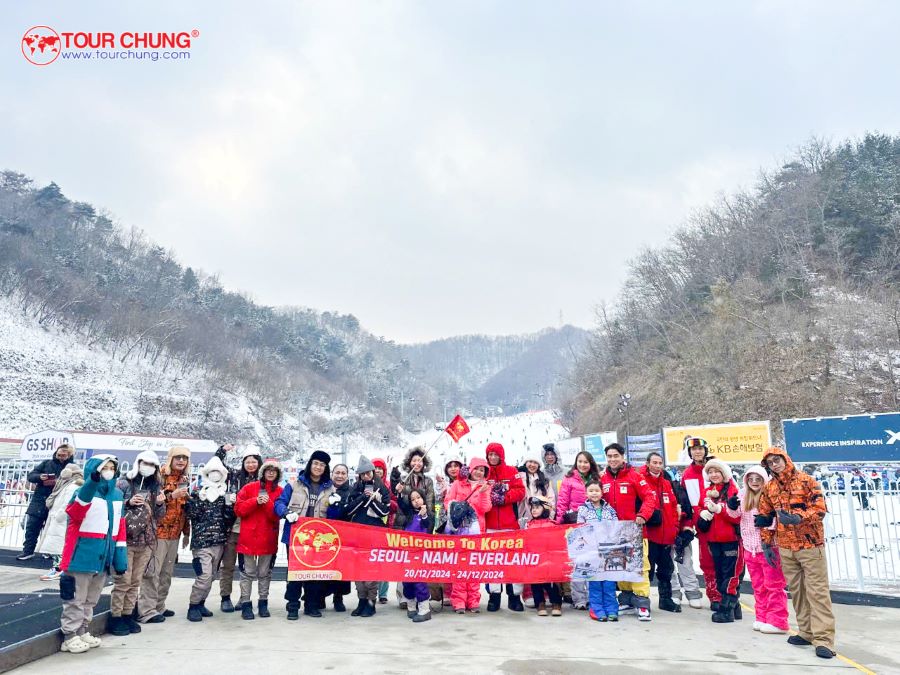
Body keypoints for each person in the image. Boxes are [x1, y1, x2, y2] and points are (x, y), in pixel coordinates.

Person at [756, 447, 836, 659]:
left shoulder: (807, 481)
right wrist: (766, 543)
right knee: (798, 592)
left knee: (817, 592)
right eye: (770, 463)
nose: (775, 465)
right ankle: (806, 632)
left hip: (810, 546)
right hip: (786, 547)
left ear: (785, 459)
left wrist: (799, 517)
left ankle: (824, 640)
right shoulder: (769, 487)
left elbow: (819, 509)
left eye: (777, 460)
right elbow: (764, 515)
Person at [58, 454, 127, 654]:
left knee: (91, 599)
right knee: (75, 598)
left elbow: (120, 529)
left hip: (103, 558)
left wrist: (119, 559)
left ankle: (82, 630)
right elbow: (76, 511)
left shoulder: (117, 495)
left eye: (112, 468)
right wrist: (91, 483)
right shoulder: (83, 492)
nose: (109, 472)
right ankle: (69, 635)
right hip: (80, 556)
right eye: (105, 468)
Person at [725, 464, 788, 634]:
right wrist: (731, 506)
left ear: (764, 480)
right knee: (758, 586)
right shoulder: (743, 495)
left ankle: (778, 621)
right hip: (749, 548)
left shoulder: (771, 495)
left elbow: (782, 519)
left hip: (769, 548)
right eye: (751, 479)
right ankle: (762, 617)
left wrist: (769, 522)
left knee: (774, 586)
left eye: (758, 478)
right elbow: (735, 515)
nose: (754, 482)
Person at [109, 451, 165, 636]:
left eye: (152, 464)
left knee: (135, 581)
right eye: (145, 463)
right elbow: (113, 505)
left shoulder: (156, 486)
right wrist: (128, 502)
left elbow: (159, 516)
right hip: (125, 539)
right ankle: (116, 616)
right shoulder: (124, 483)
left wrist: (159, 504)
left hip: (146, 540)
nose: (148, 467)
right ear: (138, 463)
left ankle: (128, 614)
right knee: (123, 581)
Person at [275, 450, 335, 619]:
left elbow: (334, 516)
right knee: (295, 572)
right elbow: (279, 503)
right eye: (316, 463)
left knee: (314, 573)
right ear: (310, 464)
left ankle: (311, 605)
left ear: (325, 468)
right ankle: (293, 606)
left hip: (318, 539)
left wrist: (335, 505)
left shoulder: (330, 489)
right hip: (296, 537)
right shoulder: (294, 484)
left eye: (322, 465)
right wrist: (286, 513)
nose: (318, 467)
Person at [601, 443, 657, 622]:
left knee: (639, 567)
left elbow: (650, 497)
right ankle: (626, 599)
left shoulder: (635, 476)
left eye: (616, 456)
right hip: (614, 533)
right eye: (609, 456)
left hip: (635, 531)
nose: (612, 459)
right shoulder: (603, 479)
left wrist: (643, 515)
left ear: (622, 457)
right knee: (619, 566)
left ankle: (642, 603)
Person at [138, 446, 191, 623]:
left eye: (184, 458)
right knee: (152, 572)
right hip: (158, 532)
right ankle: (146, 610)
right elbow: (150, 502)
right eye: (178, 457)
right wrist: (171, 496)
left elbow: (183, 508)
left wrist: (186, 532)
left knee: (166, 573)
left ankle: (159, 605)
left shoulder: (184, 479)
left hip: (175, 533)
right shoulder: (158, 477)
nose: (181, 461)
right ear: (170, 459)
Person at [185, 456, 235, 622]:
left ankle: (201, 603)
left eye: (218, 472)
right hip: (201, 542)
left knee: (212, 575)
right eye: (212, 472)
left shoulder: (224, 494)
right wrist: (196, 500)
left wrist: (230, 505)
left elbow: (228, 518)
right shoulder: (198, 492)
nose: (215, 475)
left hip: (218, 541)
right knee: (204, 575)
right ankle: (193, 605)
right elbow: (191, 514)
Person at [215, 443, 262, 613]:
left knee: (246, 567)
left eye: (254, 461)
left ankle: (244, 598)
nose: (251, 465)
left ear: (259, 463)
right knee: (227, 565)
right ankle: (225, 597)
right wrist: (222, 451)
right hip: (232, 528)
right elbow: (218, 465)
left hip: (251, 529)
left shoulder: (262, 481)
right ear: (243, 463)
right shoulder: (234, 476)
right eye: (247, 462)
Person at [234, 459, 283, 620]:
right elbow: (239, 510)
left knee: (264, 573)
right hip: (248, 538)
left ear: (278, 474)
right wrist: (254, 501)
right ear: (262, 472)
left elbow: (276, 516)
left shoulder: (280, 491)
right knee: (247, 574)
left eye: (274, 470)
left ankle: (263, 603)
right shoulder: (249, 488)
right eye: (268, 470)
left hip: (268, 539)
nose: (271, 472)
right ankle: (246, 604)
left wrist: (267, 503)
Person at [696, 459, 743, 624]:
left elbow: (737, 517)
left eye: (717, 471)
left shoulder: (733, 490)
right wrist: (702, 514)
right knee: (720, 574)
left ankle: (727, 610)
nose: (714, 475)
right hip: (713, 540)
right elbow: (700, 509)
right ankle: (734, 607)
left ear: (724, 473)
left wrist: (720, 509)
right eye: (710, 472)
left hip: (730, 539)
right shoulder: (707, 491)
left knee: (730, 575)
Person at [345, 456, 391, 617]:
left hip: (375, 533)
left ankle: (371, 602)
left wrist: (372, 500)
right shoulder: (356, 487)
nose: (366, 476)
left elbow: (385, 511)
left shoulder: (382, 488)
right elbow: (349, 510)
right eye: (363, 474)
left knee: (371, 570)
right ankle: (361, 600)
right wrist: (362, 497)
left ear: (373, 472)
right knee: (358, 569)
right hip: (357, 533)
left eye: (368, 473)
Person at [483, 442, 527, 612]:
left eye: (496, 454)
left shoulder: (511, 471)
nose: (493, 457)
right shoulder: (484, 472)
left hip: (510, 525)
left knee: (512, 562)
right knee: (492, 563)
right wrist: (490, 495)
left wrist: (505, 497)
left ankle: (514, 597)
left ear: (501, 456)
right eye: (490, 454)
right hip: (490, 525)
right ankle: (494, 597)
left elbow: (521, 491)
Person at [555, 451, 601, 610]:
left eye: (586, 462)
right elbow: (562, 502)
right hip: (574, 524)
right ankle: (579, 598)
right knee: (578, 563)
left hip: (593, 525)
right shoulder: (569, 479)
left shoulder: (597, 478)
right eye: (580, 461)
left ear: (591, 463)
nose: (583, 465)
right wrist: (559, 522)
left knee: (592, 562)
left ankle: (593, 597)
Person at [639, 452, 681, 613]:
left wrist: (674, 528)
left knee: (666, 570)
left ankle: (665, 599)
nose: (657, 466)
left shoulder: (666, 483)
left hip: (666, 535)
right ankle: (643, 600)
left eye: (660, 463)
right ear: (648, 463)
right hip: (650, 535)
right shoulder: (641, 481)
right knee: (647, 571)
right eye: (654, 462)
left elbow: (674, 506)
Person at [19, 443, 75, 561]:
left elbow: (78, 481)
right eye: (59, 454)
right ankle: (28, 551)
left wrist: (60, 482)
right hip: (39, 501)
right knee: (32, 527)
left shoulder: (73, 467)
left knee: (53, 530)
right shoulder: (46, 463)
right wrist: (40, 477)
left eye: (63, 455)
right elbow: (31, 476)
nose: (60, 457)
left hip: (58, 502)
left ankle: (50, 553)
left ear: (69, 455)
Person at [577, 481, 619, 622]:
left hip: (608, 549)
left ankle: (611, 609)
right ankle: (596, 609)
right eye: (591, 491)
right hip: (592, 550)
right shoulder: (583, 510)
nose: (594, 493)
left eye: (597, 490)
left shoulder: (609, 509)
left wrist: (613, 540)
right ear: (586, 493)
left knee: (609, 582)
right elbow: (580, 528)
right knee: (595, 582)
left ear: (602, 492)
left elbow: (616, 526)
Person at [678, 437, 712, 609]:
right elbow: (685, 501)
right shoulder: (687, 474)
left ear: (705, 450)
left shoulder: (714, 468)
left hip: (716, 519)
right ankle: (704, 594)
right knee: (703, 561)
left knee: (717, 560)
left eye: (700, 448)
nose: (697, 452)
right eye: (694, 449)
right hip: (697, 521)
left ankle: (722, 595)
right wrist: (689, 523)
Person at [36, 464, 84, 581]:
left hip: (61, 521)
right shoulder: (69, 485)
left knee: (59, 546)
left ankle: (59, 569)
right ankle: (58, 568)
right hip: (60, 520)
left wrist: (58, 516)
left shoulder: (71, 486)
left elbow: (66, 504)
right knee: (58, 545)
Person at [399, 488, 434, 622]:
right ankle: (411, 607)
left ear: (423, 498)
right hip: (408, 554)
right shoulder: (408, 514)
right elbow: (401, 504)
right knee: (407, 581)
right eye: (412, 499)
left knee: (419, 581)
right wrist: (399, 491)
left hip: (420, 555)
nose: (416, 501)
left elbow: (428, 526)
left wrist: (424, 515)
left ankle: (425, 610)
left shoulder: (429, 515)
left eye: (418, 497)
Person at [525, 496, 563, 617]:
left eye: (537, 507)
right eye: (532, 508)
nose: (534, 510)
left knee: (551, 583)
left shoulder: (552, 525)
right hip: (535, 560)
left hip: (549, 561)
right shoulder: (528, 525)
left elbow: (558, 543)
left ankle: (556, 603)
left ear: (545, 508)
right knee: (535, 583)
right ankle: (540, 603)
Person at [445, 498, 483, 614]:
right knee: (459, 578)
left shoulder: (473, 521)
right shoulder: (452, 518)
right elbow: (448, 533)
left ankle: (473, 601)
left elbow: (477, 536)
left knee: (473, 578)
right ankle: (459, 602)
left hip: (471, 553)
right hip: (458, 553)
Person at [323, 462, 352, 612]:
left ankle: (338, 597)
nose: (340, 476)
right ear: (332, 474)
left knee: (341, 568)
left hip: (343, 535)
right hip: (324, 534)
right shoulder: (324, 488)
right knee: (323, 566)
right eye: (337, 472)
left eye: (343, 473)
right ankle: (320, 597)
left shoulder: (351, 491)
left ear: (347, 476)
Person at [372, 457, 395, 605]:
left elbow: (396, 505)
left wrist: (384, 502)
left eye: (380, 468)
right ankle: (371, 592)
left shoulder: (389, 486)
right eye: (375, 468)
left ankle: (383, 593)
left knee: (384, 561)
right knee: (372, 561)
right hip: (371, 527)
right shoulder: (366, 484)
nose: (378, 471)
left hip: (387, 527)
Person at [518, 455, 555, 527]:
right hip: (525, 520)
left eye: (535, 463)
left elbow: (551, 499)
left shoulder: (544, 480)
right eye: (530, 461)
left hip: (543, 522)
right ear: (525, 463)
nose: (532, 465)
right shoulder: (519, 479)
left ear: (538, 465)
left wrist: (550, 517)